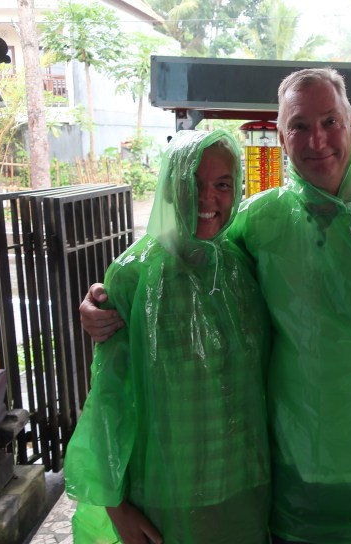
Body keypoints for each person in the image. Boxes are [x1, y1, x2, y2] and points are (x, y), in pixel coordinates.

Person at [81, 68, 351, 543]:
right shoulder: (259, 220)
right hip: (294, 498)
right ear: (281, 137)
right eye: (299, 125)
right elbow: (189, 249)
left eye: (329, 121)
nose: (317, 139)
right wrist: (107, 299)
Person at [65, 129, 271, 544]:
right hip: (165, 495)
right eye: (193, 182)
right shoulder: (133, 275)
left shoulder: (245, 264)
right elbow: (109, 400)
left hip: (245, 487)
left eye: (222, 184)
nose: (207, 198)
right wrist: (116, 506)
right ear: (170, 185)